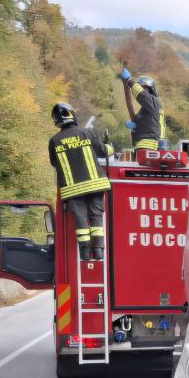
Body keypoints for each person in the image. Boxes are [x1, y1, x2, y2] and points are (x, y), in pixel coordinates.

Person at [48, 102, 114, 261]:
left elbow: (54, 163)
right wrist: (109, 144)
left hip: (73, 190)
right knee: (96, 216)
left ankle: (84, 253)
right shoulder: (87, 133)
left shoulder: (54, 141)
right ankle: (98, 251)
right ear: (72, 114)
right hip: (95, 185)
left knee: (81, 219)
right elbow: (105, 152)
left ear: (56, 120)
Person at [119, 67, 166, 150]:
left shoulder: (154, 101)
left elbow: (141, 95)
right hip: (144, 146)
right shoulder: (147, 108)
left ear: (151, 89)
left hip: (151, 145)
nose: (141, 89)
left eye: (143, 87)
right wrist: (137, 125)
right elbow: (150, 123)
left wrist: (129, 80)